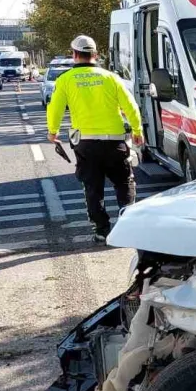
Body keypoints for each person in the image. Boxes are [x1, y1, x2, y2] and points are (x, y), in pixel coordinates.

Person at [46, 35, 143, 243]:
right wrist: (137, 130)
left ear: (74, 55)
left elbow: (54, 108)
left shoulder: (64, 80)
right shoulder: (110, 77)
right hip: (115, 141)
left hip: (86, 144)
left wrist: (52, 132)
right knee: (124, 182)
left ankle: (102, 230)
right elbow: (131, 106)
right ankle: (129, 225)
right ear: (95, 55)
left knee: (93, 187)